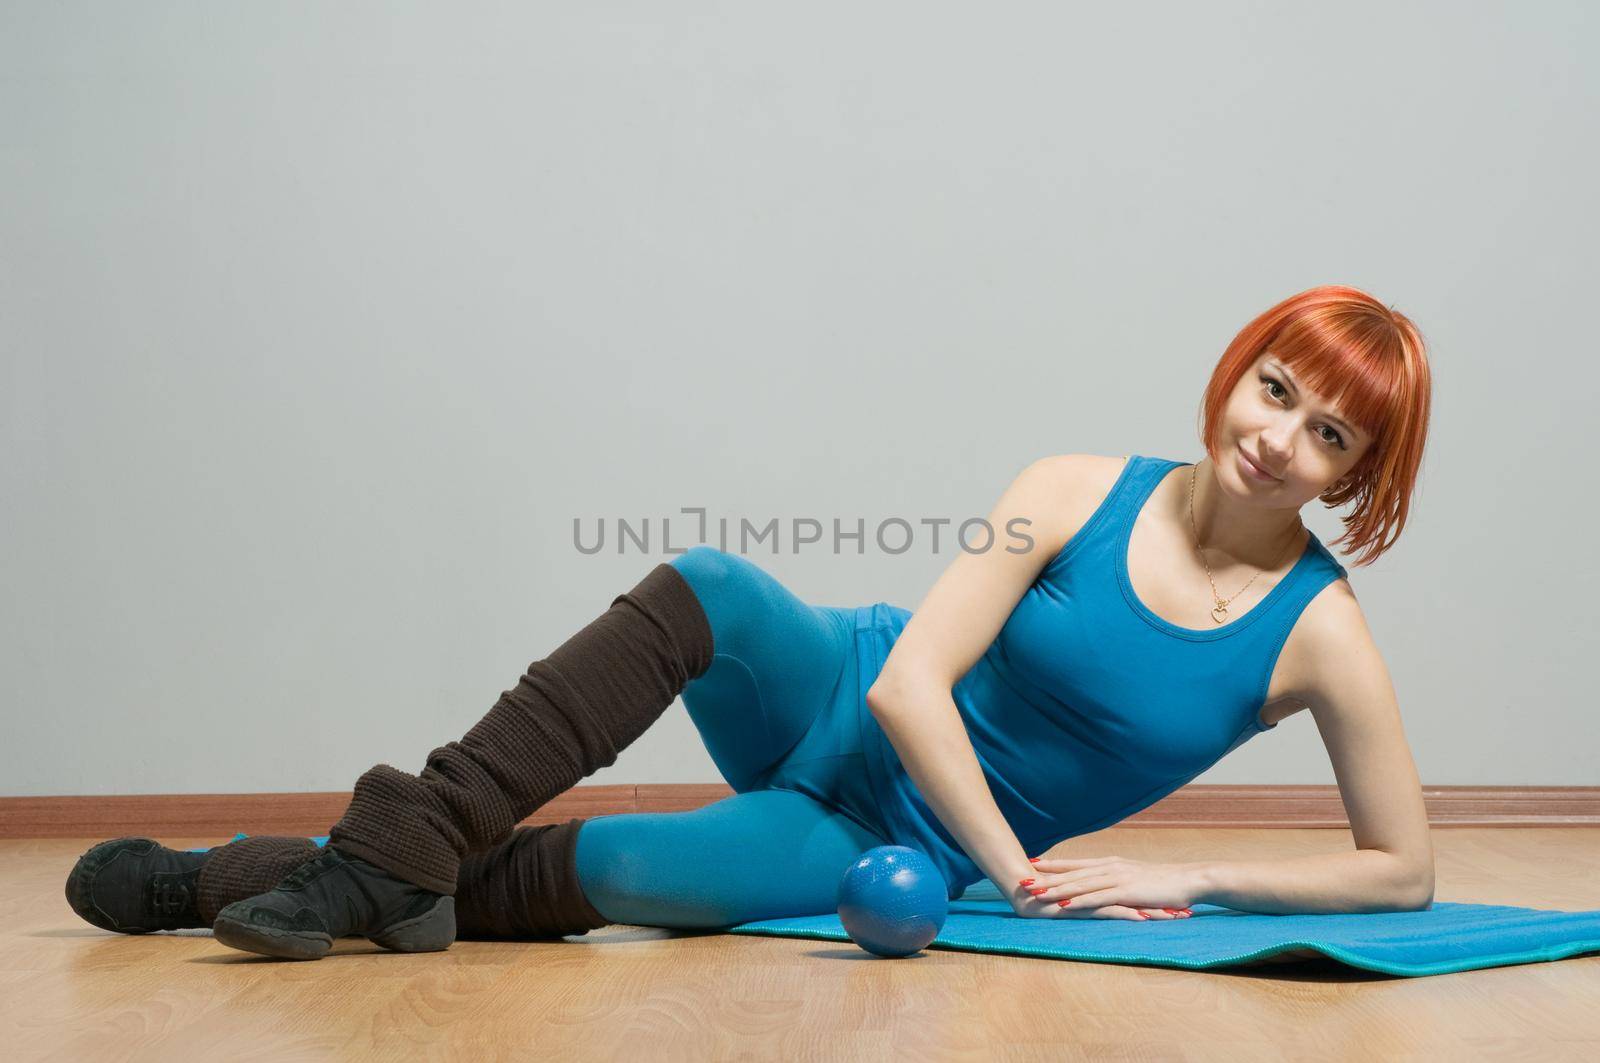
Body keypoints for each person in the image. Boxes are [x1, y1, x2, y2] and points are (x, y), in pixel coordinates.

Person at [66, 284, 1435, 960]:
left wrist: (1185, 881)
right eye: (1272, 390)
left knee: (617, 878)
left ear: (1356, 476)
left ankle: (232, 877)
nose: (1278, 441)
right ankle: (404, 837)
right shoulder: (1074, 489)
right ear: (1234, 372)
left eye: (1329, 435)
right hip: (840, 692)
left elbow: (1404, 871)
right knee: (715, 587)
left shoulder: (1320, 635)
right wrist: (1021, 867)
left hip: (884, 839)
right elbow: (907, 688)